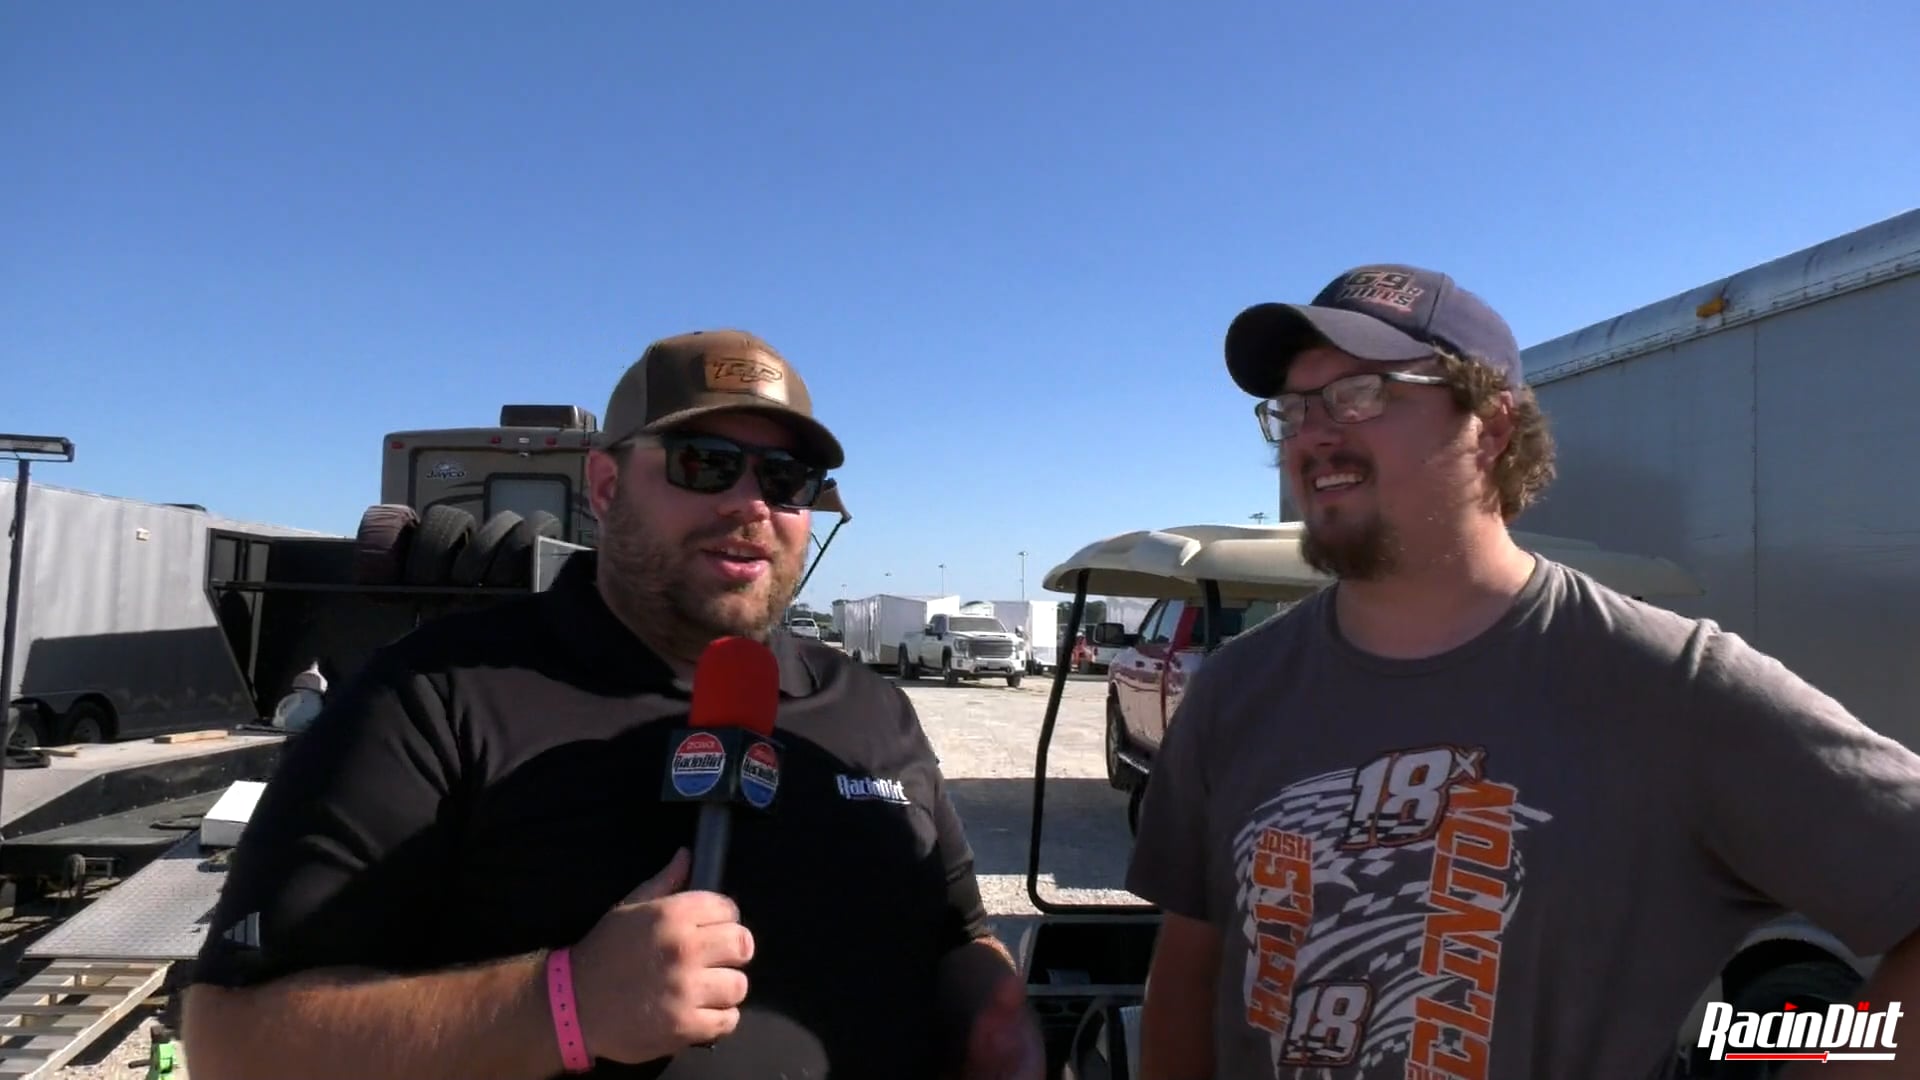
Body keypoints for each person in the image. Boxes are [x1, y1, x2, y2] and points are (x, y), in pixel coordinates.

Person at [180, 329, 1044, 1080]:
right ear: (603, 487)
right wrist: (565, 1004)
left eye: (788, 478)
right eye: (704, 462)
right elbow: (231, 1042)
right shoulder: (432, 701)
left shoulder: (874, 712)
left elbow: (958, 934)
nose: (750, 504)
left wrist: (997, 1009)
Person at [1124, 266, 1920, 1079]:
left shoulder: (1663, 684)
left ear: (1493, 425)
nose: (1313, 433)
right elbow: (1190, 970)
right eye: (1292, 409)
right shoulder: (1238, 688)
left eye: (1360, 394)